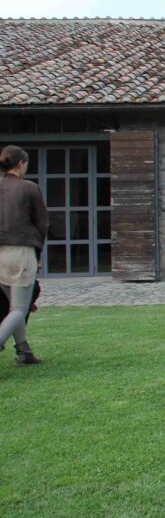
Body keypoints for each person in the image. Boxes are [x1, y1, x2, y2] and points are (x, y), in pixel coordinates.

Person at [0, 145, 48, 365]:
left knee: (13, 305)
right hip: (20, 251)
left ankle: (23, 351)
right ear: (21, 163)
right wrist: (38, 252)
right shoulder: (29, 188)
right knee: (20, 308)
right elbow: (42, 224)